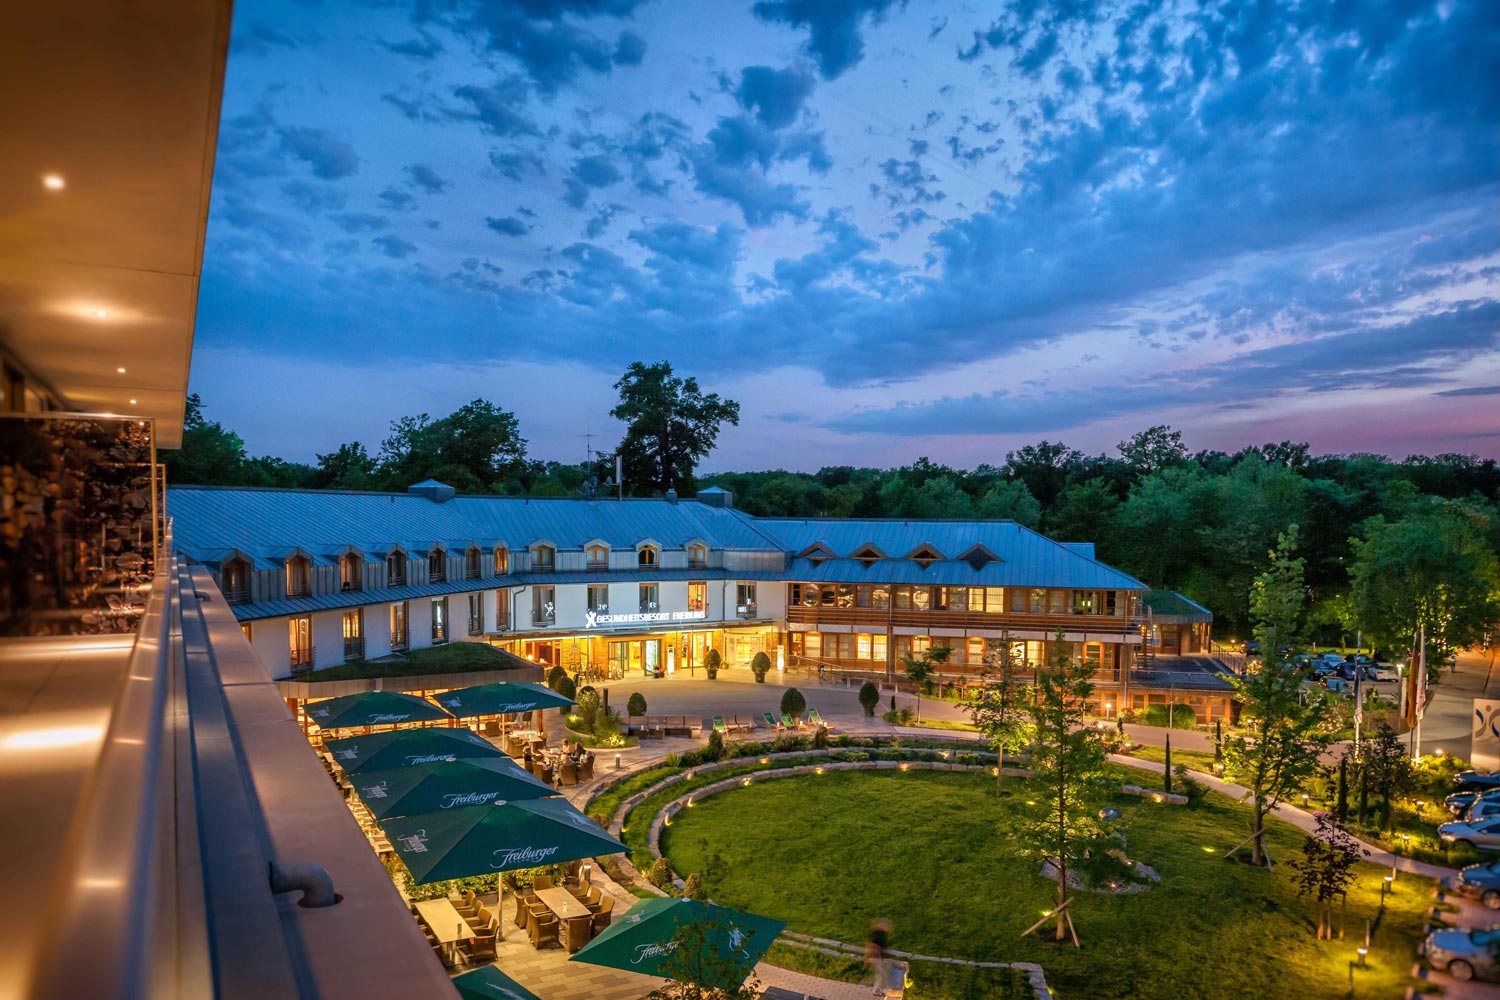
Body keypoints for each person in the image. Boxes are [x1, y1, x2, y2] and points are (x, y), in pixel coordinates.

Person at [865, 918, 891, 997]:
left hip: (876, 957)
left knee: (880, 975)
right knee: (882, 975)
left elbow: (869, 944)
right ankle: (874, 989)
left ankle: (876, 989)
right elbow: (874, 945)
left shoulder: (877, 933)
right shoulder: (880, 934)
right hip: (876, 957)